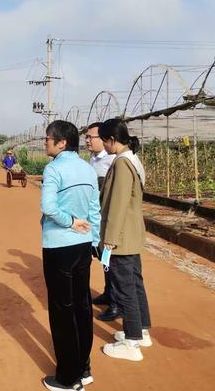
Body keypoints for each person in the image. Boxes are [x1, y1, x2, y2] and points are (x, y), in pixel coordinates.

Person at [41, 120, 101, 391]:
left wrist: (69, 221)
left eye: (48, 138)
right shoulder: (88, 169)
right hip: (83, 246)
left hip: (59, 246)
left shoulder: (54, 169)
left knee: (62, 310)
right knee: (81, 305)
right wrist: (94, 240)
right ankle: (83, 366)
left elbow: (49, 208)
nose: (46, 142)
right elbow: (95, 210)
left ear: (62, 142)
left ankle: (68, 378)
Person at [98, 118, 152, 361]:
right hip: (131, 233)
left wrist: (109, 239)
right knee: (135, 282)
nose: (102, 145)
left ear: (111, 140)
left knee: (124, 287)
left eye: (102, 140)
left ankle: (132, 343)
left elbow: (117, 204)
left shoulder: (121, 163)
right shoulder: (132, 159)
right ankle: (141, 331)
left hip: (120, 236)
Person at [85, 122, 119, 322]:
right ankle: (108, 293)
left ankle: (116, 303)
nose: (88, 140)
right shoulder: (93, 159)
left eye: (92, 137)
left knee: (112, 261)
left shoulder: (112, 160)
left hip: (108, 219)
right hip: (96, 220)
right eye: (87, 137)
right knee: (103, 260)